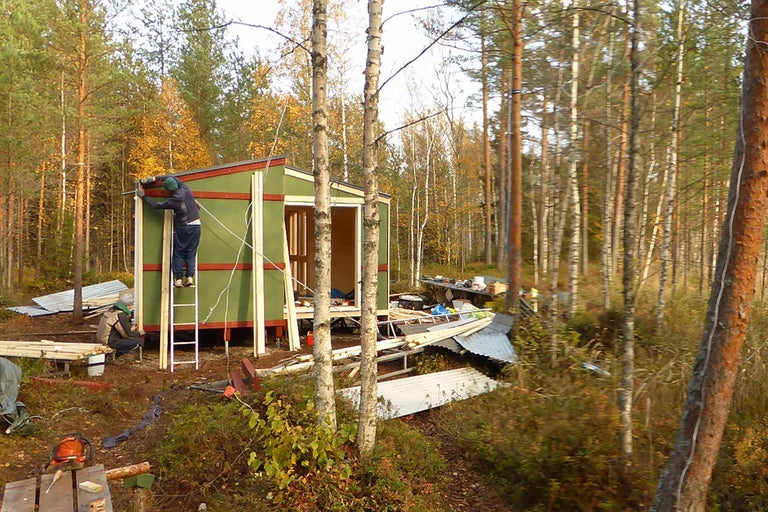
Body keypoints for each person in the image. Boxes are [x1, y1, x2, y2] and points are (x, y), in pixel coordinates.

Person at [137, 175, 201, 287]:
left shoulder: (173, 201)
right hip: (196, 225)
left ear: (169, 190)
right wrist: (155, 178)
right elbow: (172, 177)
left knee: (179, 253)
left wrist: (144, 196)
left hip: (184, 227)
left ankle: (179, 279)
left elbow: (156, 205)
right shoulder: (185, 188)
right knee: (191, 252)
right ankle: (190, 277)